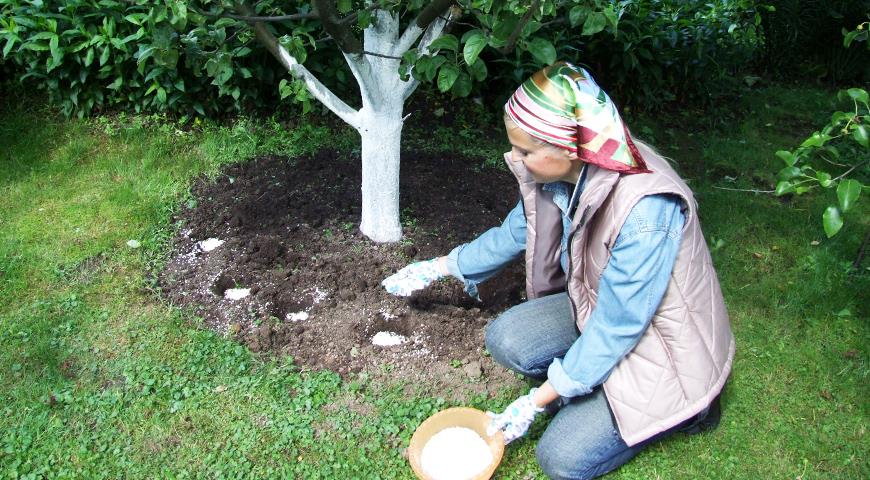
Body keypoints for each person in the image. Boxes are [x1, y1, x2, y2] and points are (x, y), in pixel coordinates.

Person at [382, 62, 734, 480]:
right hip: (598, 306)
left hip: (659, 347)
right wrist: (443, 266)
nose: (514, 158)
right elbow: (516, 231)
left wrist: (539, 399)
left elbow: (619, 327)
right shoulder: (572, 168)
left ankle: (689, 412)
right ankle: (588, 377)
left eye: (525, 151)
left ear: (565, 147)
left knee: (561, 458)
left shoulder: (644, 212)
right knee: (507, 337)